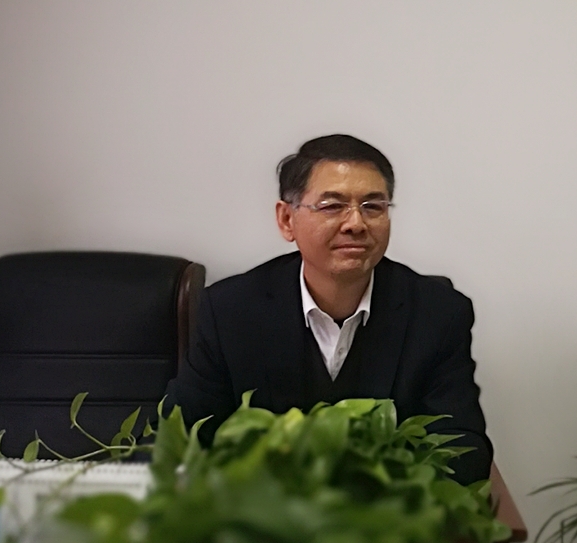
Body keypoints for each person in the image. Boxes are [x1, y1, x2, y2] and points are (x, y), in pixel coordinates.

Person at [164, 134, 492, 482]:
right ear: (286, 219)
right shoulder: (230, 311)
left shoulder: (438, 313)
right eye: (333, 206)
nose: (356, 223)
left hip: (387, 511)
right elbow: (179, 439)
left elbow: (461, 448)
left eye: (373, 206)